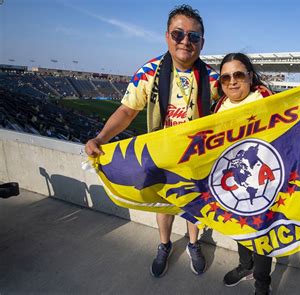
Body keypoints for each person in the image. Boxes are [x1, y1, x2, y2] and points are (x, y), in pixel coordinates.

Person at [85, 5, 219, 278]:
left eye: (193, 37)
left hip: (196, 157)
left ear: (202, 43)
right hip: (160, 156)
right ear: (167, 37)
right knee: (163, 205)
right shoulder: (150, 71)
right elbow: (127, 111)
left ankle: (193, 244)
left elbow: (248, 104)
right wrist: (100, 138)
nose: (185, 41)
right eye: (178, 34)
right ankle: (165, 244)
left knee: (194, 205)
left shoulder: (214, 79)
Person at [214, 53, 300, 295]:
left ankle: (262, 285)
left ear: (250, 76)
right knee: (239, 230)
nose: (232, 81)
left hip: (265, 184)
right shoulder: (219, 106)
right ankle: (245, 266)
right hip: (233, 185)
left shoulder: (267, 100)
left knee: (262, 238)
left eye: (239, 75)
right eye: (226, 77)